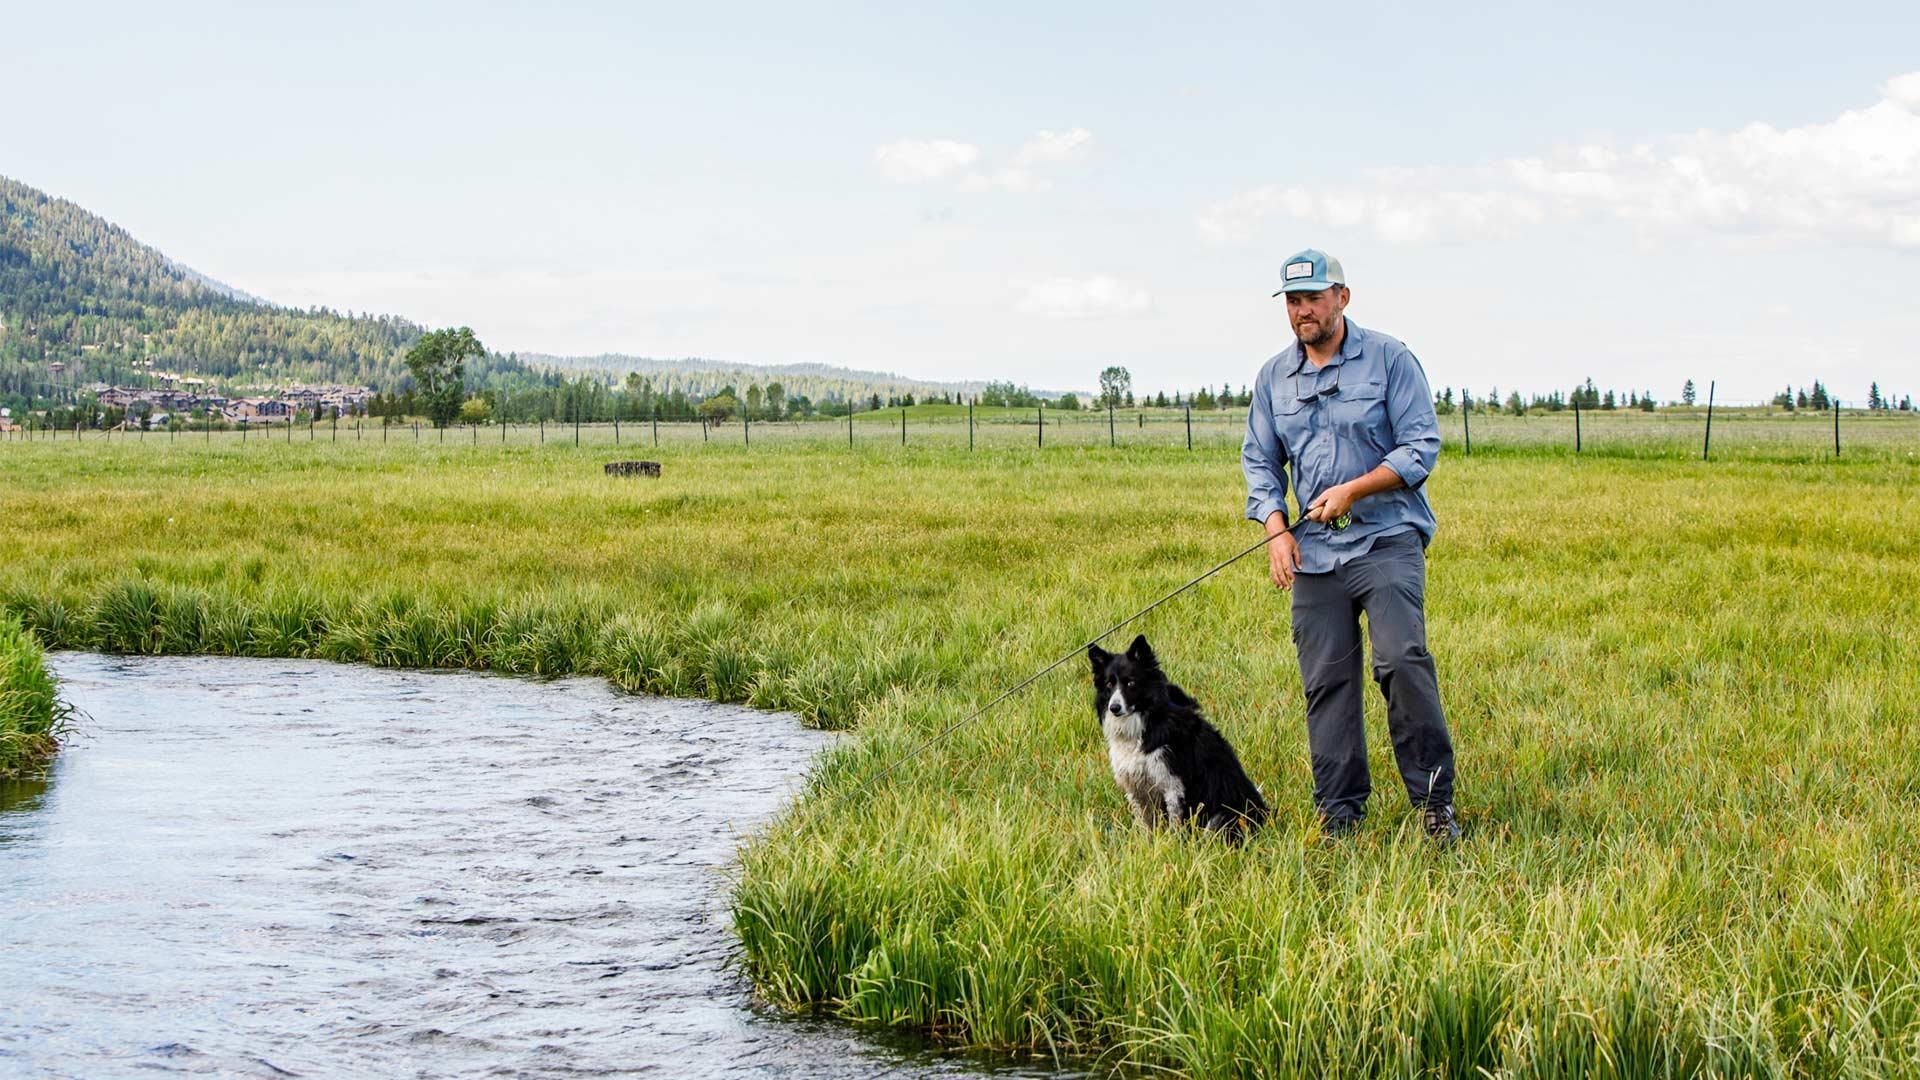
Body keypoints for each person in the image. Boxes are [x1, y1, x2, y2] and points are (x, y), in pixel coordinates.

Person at [1240, 249, 1460, 842]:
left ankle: (1435, 805)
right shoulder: (1272, 378)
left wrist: (1354, 491)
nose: (1302, 311)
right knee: (1326, 681)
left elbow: (1420, 447)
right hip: (1314, 553)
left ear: (1342, 296)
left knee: (1401, 661)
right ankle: (1340, 813)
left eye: (1313, 297)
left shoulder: (1390, 359)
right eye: (1292, 301)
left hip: (1386, 538)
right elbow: (1260, 461)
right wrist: (1276, 529)